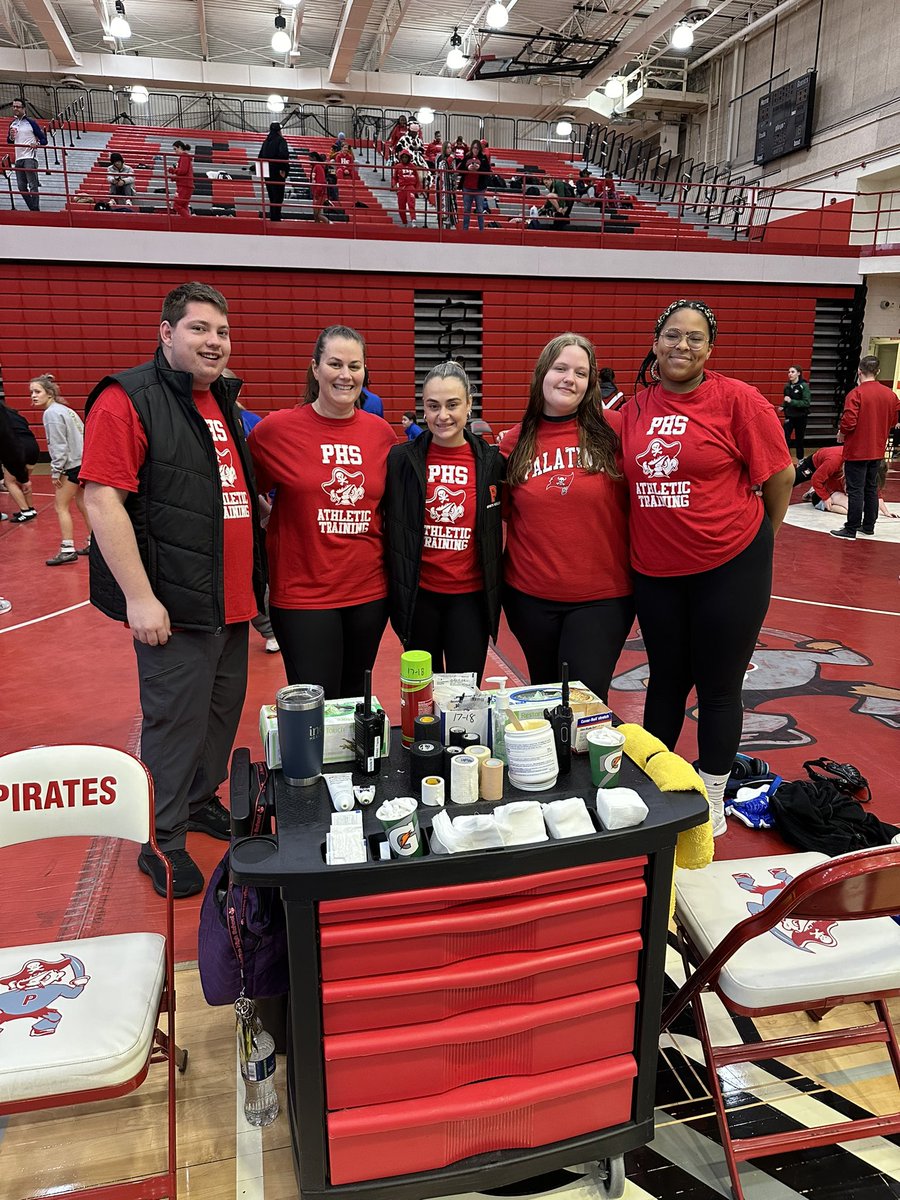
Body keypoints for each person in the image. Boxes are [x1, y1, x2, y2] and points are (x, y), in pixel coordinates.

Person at [81, 282, 266, 898]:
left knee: (218, 717)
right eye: (199, 328)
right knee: (174, 725)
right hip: (177, 603)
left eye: (222, 331)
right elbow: (102, 500)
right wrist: (140, 597)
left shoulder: (220, 400)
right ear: (166, 333)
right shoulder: (128, 399)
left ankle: (197, 799)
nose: (215, 341)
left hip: (229, 601)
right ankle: (160, 839)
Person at [620, 299, 794, 835]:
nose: (683, 345)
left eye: (695, 338)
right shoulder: (634, 408)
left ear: (710, 349)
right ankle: (658, 785)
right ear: (655, 342)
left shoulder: (739, 400)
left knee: (719, 686)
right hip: (657, 571)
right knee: (666, 682)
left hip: (730, 565)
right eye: (673, 335)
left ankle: (713, 795)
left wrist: (763, 536)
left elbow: (780, 476)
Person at [248, 325, 396, 699]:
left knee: (354, 699)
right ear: (315, 368)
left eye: (354, 366)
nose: (345, 375)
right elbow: (244, 487)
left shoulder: (381, 434)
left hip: (368, 593)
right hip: (303, 596)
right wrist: (266, 514)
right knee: (316, 705)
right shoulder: (276, 430)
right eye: (335, 364)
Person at [501, 333, 633, 702]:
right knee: (544, 701)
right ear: (542, 373)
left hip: (601, 598)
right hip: (529, 598)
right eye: (560, 368)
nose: (569, 379)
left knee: (583, 704)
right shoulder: (515, 441)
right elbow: (509, 512)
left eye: (580, 372)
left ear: (591, 383)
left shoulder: (616, 429)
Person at [385, 361, 503, 679]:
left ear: (468, 404)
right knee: (424, 693)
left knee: (465, 694)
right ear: (423, 408)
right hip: (419, 598)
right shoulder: (400, 461)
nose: (443, 416)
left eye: (452, 405)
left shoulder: (491, 462)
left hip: (470, 600)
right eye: (433, 406)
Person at [830, 355, 900, 539]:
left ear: (859, 371)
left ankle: (851, 527)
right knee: (871, 487)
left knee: (855, 490)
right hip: (877, 449)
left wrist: (842, 432)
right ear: (877, 371)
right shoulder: (890, 395)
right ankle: (869, 525)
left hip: (857, 449)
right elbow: (894, 420)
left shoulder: (856, 393)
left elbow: (849, 421)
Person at [29, 375, 92, 565]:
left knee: (61, 506)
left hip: (71, 466)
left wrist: (56, 471)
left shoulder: (51, 414)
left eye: (37, 391)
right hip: (82, 462)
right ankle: (95, 542)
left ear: (49, 393)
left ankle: (67, 549)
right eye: (31, 392)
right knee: (82, 502)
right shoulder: (65, 410)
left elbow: (59, 446)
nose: (33, 396)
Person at [1, 398, 39, 521]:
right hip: (32, 446)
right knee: (23, 479)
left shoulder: (3, 417)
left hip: (19, 447)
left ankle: (25, 511)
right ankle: (30, 508)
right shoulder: (14, 413)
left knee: (9, 482)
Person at [7, 97, 47, 212]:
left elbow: (44, 139)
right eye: (14, 107)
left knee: (32, 184)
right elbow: (9, 141)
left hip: (30, 157)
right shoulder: (13, 123)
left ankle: (35, 209)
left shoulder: (31, 123)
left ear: (24, 109)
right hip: (19, 158)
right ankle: (33, 208)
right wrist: (11, 136)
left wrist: (37, 143)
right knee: (21, 187)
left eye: (18, 107)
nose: (15, 109)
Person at [258, 122, 290, 221]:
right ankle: (276, 217)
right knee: (278, 196)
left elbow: (260, 156)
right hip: (277, 172)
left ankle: (273, 217)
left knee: (272, 196)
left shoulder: (266, 142)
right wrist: (284, 169)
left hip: (267, 172)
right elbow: (284, 155)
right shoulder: (281, 141)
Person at [460, 139, 491, 232]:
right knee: (466, 209)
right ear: (471, 148)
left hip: (479, 188)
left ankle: (481, 230)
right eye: (474, 148)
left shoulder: (483, 157)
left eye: (477, 148)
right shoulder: (467, 156)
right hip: (467, 187)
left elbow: (488, 170)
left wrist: (479, 168)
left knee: (480, 210)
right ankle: (465, 230)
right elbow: (460, 169)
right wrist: (467, 168)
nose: (475, 150)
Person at [782, 364, 811, 459]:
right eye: (789, 372)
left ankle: (800, 459)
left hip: (801, 417)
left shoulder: (804, 386)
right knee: (784, 438)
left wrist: (792, 401)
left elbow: (806, 403)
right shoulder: (787, 386)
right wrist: (783, 406)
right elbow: (786, 399)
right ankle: (785, 458)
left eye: (792, 372)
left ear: (798, 373)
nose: (790, 374)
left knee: (799, 439)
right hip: (789, 416)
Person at [392, 149, 421, 227]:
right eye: (403, 157)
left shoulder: (413, 166)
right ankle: (404, 222)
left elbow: (417, 178)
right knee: (401, 207)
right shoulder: (398, 166)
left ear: (409, 158)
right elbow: (394, 178)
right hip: (401, 188)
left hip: (410, 187)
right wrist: (394, 185)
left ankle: (413, 221)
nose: (405, 159)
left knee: (411, 204)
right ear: (401, 158)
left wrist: (417, 190)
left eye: (406, 157)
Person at [434, 140, 458, 229]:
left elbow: (454, 170)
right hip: (441, 184)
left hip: (451, 184)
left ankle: (448, 226)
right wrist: (449, 160)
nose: (449, 149)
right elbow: (440, 169)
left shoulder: (453, 158)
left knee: (451, 205)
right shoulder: (439, 157)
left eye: (450, 148)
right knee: (441, 205)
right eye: (447, 148)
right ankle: (440, 227)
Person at [168, 140, 193, 218]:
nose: (175, 151)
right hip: (186, 185)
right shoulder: (185, 157)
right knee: (183, 206)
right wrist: (175, 178)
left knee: (177, 205)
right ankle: (188, 221)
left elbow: (183, 171)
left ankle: (189, 221)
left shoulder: (184, 157)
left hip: (184, 186)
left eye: (175, 149)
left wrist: (173, 171)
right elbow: (184, 172)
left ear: (179, 147)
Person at [309, 151, 328, 223]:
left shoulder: (318, 166)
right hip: (317, 192)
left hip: (320, 193)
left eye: (310, 158)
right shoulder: (316, 166)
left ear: (314, 158)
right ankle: (319, 226)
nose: (309, 160)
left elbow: (321, 181)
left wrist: (317, 193)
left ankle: (329, 224)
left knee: (317, 214)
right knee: (316, 214)